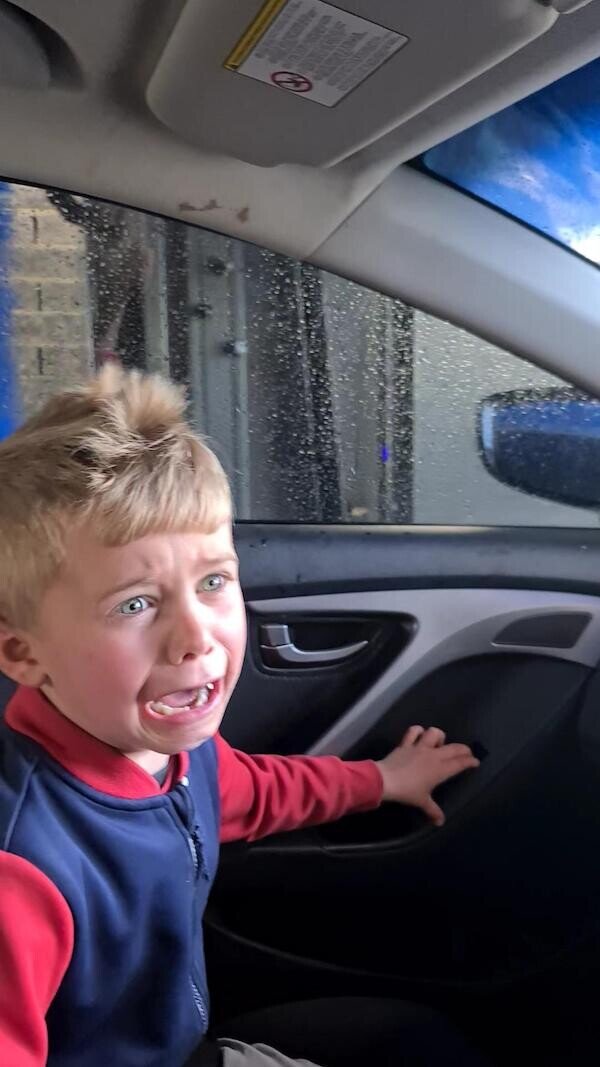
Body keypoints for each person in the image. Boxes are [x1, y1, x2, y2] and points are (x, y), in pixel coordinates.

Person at [0, 368, 483, 1067]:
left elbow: (250, 790)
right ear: (22, 652)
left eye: (213, 582)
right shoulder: (21, 868)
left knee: (418, 1040)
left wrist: (381, 780)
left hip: (184, 1045)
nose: (195, 637)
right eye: (134, 604)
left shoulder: (172, 754)